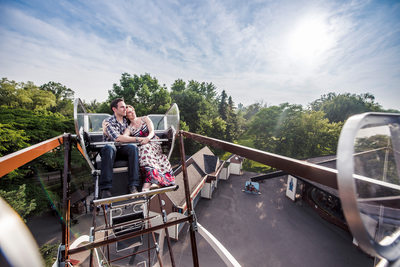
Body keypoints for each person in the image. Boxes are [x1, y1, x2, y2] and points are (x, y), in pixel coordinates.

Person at [123, 105, 175, 191]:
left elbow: (152, 131)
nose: (132, 113)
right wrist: (136, 139)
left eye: (132, 110)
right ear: (126, 116)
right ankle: (151, 181)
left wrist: (147, 138)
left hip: (153, 142)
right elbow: (124, 137)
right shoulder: (129, 128)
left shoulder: (145, 119)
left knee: (146, 148)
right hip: (142, 146)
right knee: (142, 150)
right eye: (129, 112)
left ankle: (149, 183)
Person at [100, 98, 140, 198]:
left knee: (133, 148)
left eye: (124, 106)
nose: (124, 109)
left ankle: (133, 185)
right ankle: (106, 189)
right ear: (114, 109)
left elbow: (135, 124)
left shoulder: (126, 122)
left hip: (122, 149)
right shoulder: (108, 121)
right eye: (122, 107)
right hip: (110, 149)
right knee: (109, 148)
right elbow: (117, 138)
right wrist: (139, 139)